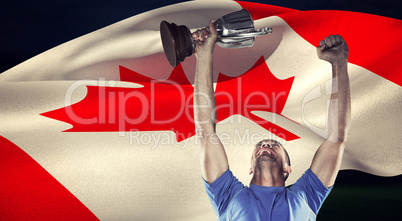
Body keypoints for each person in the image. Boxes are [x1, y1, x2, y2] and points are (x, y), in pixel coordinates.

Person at [193, 20, 351, 220]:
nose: (266, 142)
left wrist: (339, 64)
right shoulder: (227, 196)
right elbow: (205, 133)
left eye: (275, 144)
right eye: (265, 144)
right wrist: (204, 54)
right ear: (249, 168)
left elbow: (337, 139)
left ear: (287, 169)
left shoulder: (307, 197)